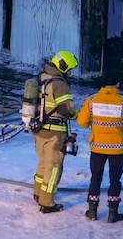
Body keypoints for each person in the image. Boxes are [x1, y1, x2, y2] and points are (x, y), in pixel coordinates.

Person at [76, 75, 123, 223]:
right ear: (117, 83)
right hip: (117, 148)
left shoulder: (91, 100)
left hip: (97, 146)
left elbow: (81, 121)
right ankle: (112, 213)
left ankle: (92, 211)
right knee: (115, 180)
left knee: (95, 178)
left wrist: (94, 125)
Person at [32, 50, 79, 214]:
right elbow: (67, 110)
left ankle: (38, 193)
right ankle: (47, 203)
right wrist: (77, 113)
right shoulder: (60, 84)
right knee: (53, 169)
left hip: (39, 130)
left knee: (43, 163)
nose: (71, 73)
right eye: (70, 69)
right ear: (64, 66)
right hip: (55, 133)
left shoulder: (42, 78)